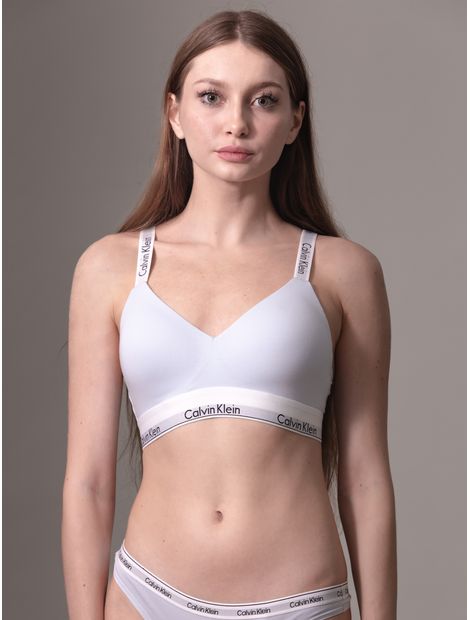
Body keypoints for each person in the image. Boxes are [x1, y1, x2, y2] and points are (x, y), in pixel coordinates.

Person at [62, 9, 397, 620]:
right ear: (174, 113)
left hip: (302, 601)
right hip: (146, 595)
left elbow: (366, 475)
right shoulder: (109, 268)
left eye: (264, 100)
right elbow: (88, 482)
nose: (236, 123)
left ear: (295, 121)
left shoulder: (344, 272)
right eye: (211, 96)